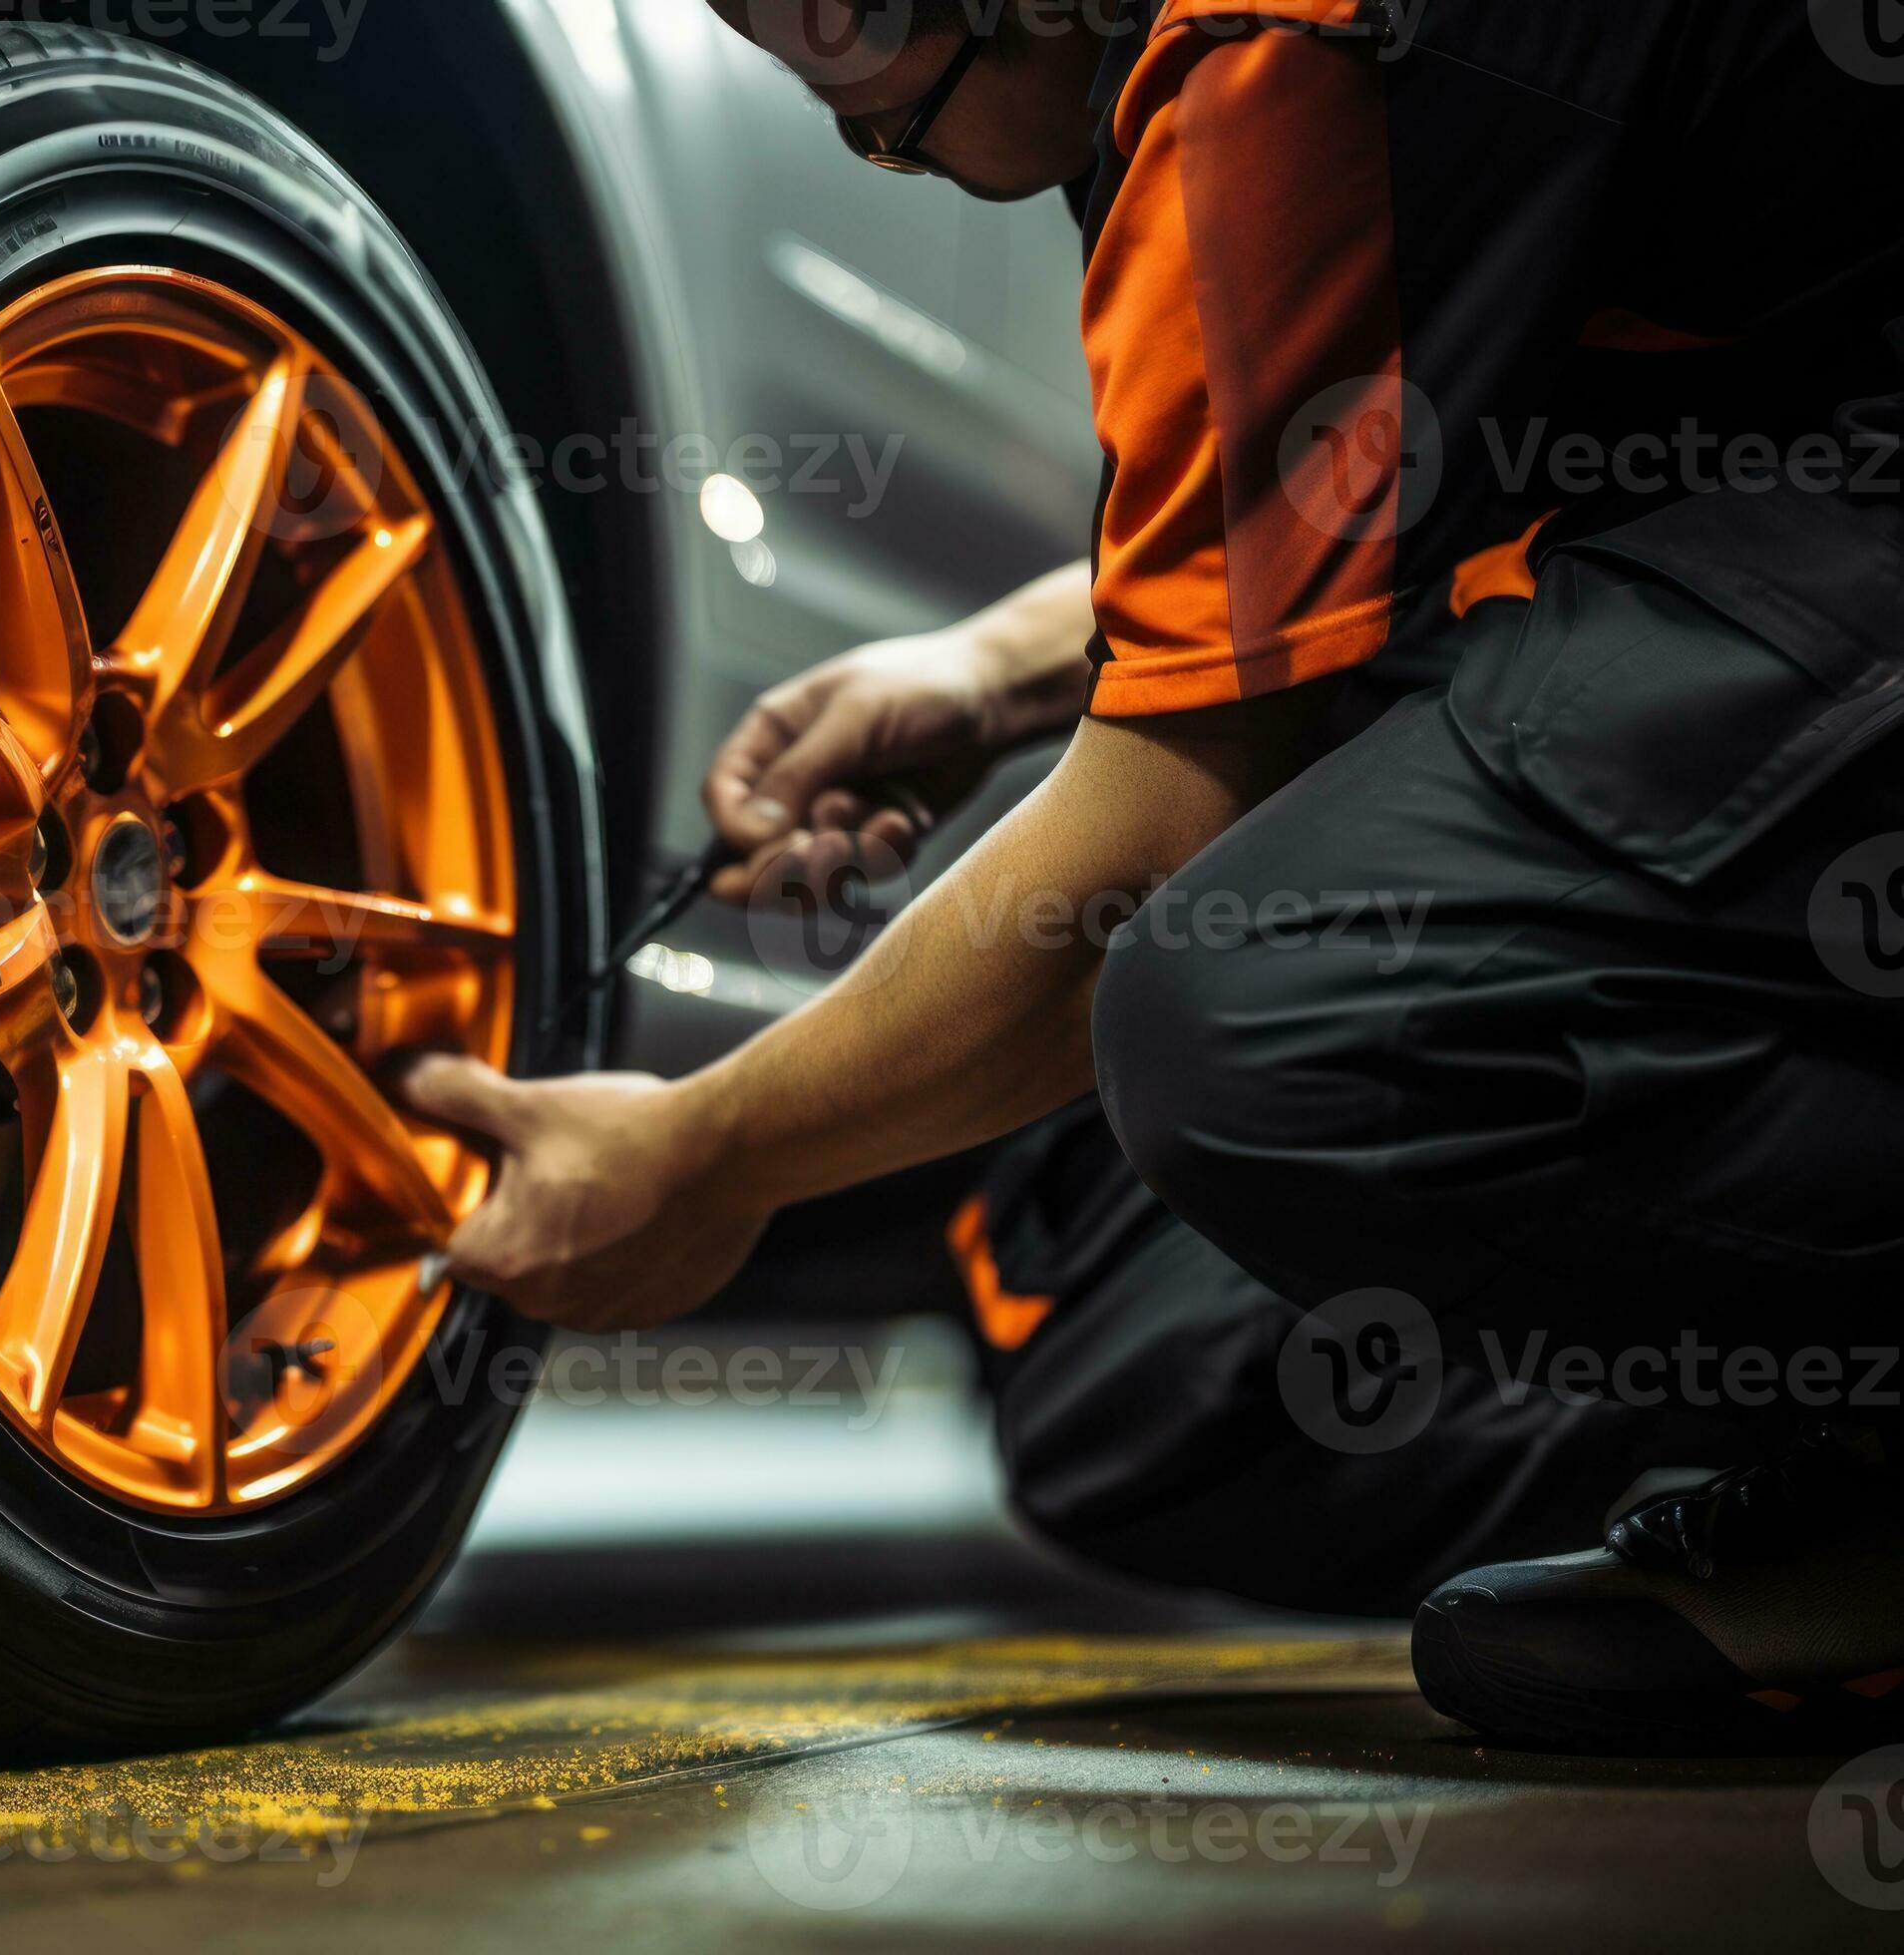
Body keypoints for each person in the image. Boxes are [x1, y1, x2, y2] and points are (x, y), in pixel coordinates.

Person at [399, 0, 1904, 1754]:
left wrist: (710, 1154)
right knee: (1135, 1372)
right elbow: (1376, 457)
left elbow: (1150, 848)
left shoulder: (1266, 35)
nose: (881, 164)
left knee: (1272, 1022)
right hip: (1776, 482)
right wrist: (1000, 674)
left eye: (882, 117)